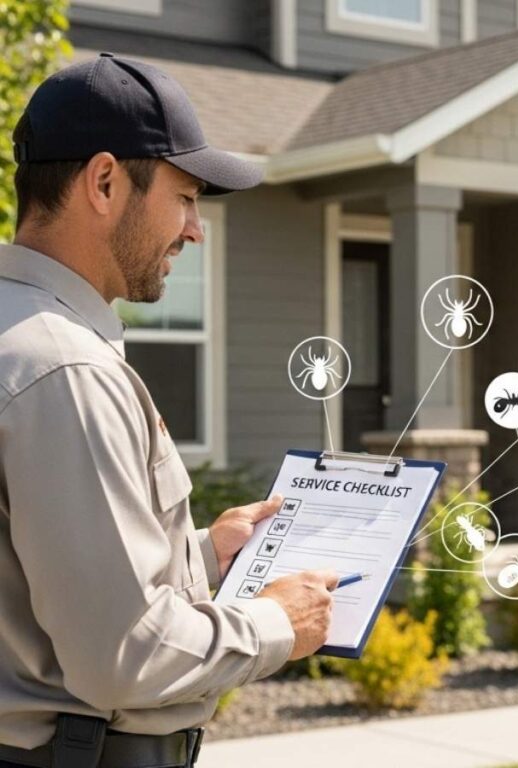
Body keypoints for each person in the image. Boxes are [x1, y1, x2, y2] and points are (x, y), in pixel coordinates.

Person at [0, 54, 338, 766]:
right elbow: (124, 656)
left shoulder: (20, 333)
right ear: (103, 182)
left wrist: (203, 555)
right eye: (185, 197)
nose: (195, 229)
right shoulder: (64, 369)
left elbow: (35, 577)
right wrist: (277, 622)